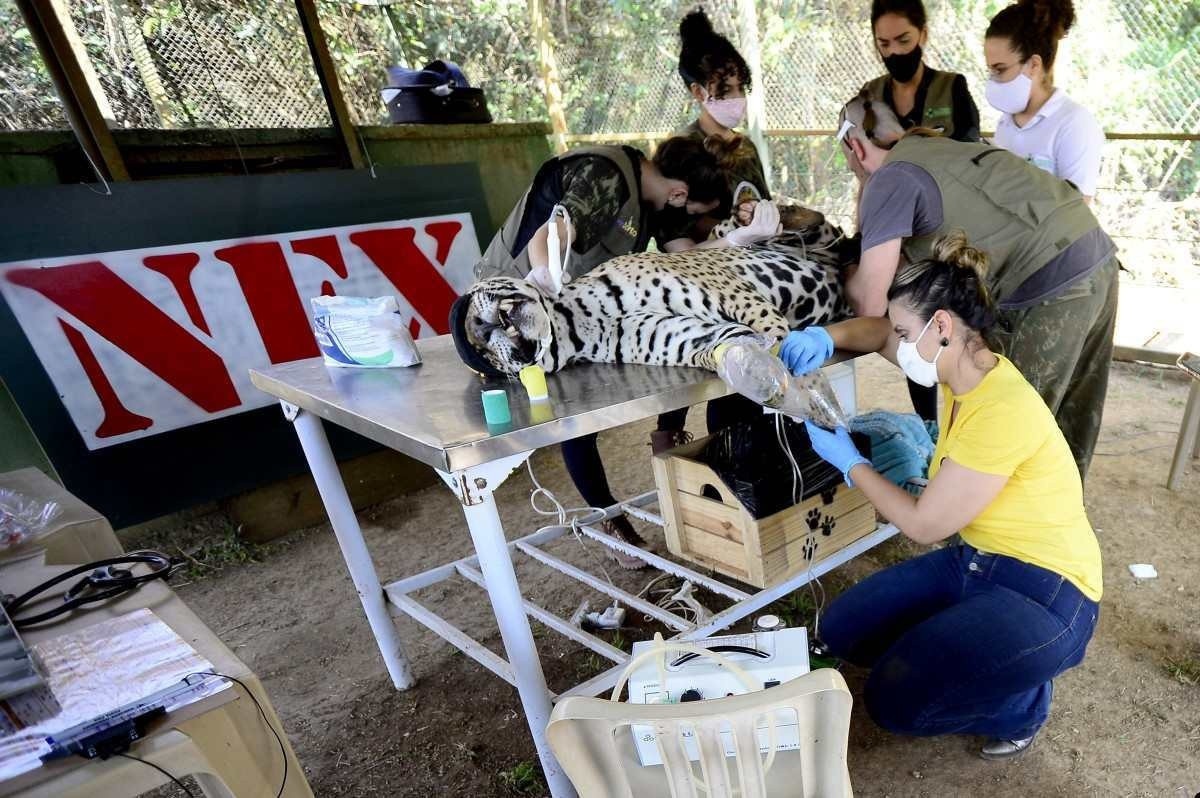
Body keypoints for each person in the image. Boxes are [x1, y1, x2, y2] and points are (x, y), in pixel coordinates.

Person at [780, 231, 1101, 760]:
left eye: (907, 331)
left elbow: (925, 527)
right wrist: (825, 335)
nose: (898, 342)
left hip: (1047, 592)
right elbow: (877, 332)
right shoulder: (962, 370)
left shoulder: (999, 408)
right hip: (979, 562)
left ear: (942, 326)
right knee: (842, 630)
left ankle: (1023, 702)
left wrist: (850, 461)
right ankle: (965, 646)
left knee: (894, 704)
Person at [474, 139, 781, 565]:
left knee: (674, 354)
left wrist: (742, 238)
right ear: (679, 195)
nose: (690, 220)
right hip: (519, 312)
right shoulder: (607, 174)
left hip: (587, 313)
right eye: (695, 212)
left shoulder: (653, 201)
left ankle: (670, 445)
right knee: (576, 414)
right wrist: (543, 274)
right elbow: (554, 232)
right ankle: (608, 520)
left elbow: (688, 260)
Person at [834, 91, 1118, 479]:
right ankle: (1056, 522)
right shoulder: (939, 150)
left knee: (1009, 424)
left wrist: (848, 276)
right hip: (1095, 253)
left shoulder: (890, 178)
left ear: (855, 146)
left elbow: (869, 301)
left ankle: (994, 534)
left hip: (1050, 281)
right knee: (1072, 419)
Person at [985, 0, 1104, 202]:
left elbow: (1076, 213)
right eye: (990, 70)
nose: (993, 78)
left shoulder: (1074, 124)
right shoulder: (1006, 122)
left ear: (1033, 65)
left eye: (1000, 69)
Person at [862, 0, 981, 142]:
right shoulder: (870, 94)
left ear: (923, 35)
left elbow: (970, 151)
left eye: (904, 40)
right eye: (884, 44)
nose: (894, 52)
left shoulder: (951, 87)